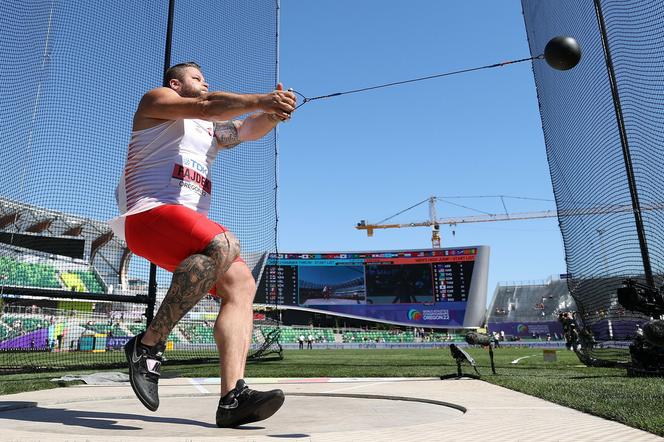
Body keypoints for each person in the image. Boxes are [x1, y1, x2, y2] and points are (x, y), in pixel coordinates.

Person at [109, 61, 296, 427]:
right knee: (227, 243)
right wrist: (262, 98)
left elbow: (246, 129)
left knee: (242, 285)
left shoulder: (209, 129)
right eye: (197, 77)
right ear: (176, 83)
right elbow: (209, 105)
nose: (205, 82)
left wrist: (272, 114)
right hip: (148, 215)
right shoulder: (157, 99)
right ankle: (149, 345)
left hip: (184, 230)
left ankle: (232, 399)